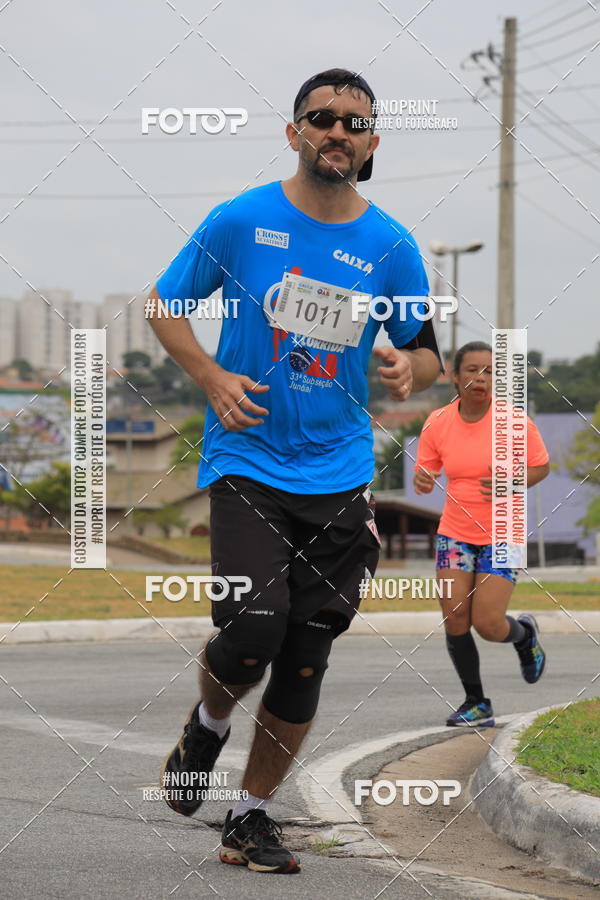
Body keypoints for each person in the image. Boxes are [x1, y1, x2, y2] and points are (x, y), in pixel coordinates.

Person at [148, 68, 441, 875]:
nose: (337, 132)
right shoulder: (242, 219)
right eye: (321, 119)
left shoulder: (390, 244)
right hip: (248, 458)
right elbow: (164, 304)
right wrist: (209, 377)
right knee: (251, 630)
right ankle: (206, 726)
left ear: (373, 141)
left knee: (307, 651)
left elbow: (425, 350)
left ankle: (249, 817)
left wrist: (407, 370)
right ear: (295, 133)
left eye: (354, 123)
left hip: (340, 469)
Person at [414, 341, 550, 728]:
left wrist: (512, 480)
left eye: (490, 372)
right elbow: (427, 474)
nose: (481, 378)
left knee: (489, 625)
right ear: (454, 377)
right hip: (455, 532)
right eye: (472, 370)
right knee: (455, 617)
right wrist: (423, 480)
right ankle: (477, 702)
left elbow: (541, 468)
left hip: (503, 532)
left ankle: (524, 635)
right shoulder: (437, 423)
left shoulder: (515, 423)